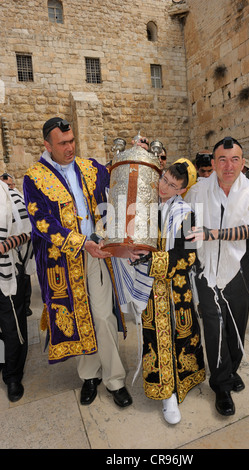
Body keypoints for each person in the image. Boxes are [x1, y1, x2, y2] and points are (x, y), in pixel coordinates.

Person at [23, 117, 132, 408]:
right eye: (63, 143)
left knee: (102, 316)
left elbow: (118, 188)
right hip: (63, 261)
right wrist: (81, 242)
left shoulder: (91, 166)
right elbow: (41, 223)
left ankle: (115, 379)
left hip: (97, 252)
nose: (70, 148)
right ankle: (89, 376)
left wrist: (131, 160)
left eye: (72, 141)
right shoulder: (34, 177)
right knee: (76, 317)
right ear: (47, 144)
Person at [185, 136, 249, 417]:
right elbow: (185, 222)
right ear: (213, 163)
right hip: (205, 268)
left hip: (238, 267)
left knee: (237, 324)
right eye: (222, 160)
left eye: (235, 159)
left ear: (242, 162)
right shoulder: (198, 191)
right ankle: (221, 384)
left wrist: (215, 234)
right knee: (214, 325)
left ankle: (231, 367)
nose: (229, 166)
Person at [118, 159, 205, 424]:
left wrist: (150, 261)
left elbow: (187, 257)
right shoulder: (144, 205)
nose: (164, 187)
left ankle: (175, 393)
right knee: (155, 340)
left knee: (180, 337)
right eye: (164, 179)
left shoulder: (186, 214)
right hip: (149, 287)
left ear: (181, 190)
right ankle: (164, 391)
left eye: (173, 185)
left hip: (175, 290)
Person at [0, 179, 32, 402]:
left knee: (12, 327)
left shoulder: (11, 197)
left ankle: (13, 376)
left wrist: (6, 245)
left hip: (8, 275)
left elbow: (30, 232)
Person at [1, 172, 34, 316]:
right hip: (12, 254)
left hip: (19, 252)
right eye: (7, 185)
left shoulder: (16, 196)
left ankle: (25, 306)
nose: (10, 188)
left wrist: (6, 245)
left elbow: (28, 230)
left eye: (10, 185)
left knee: (23, 277)